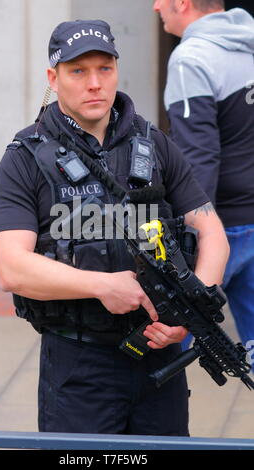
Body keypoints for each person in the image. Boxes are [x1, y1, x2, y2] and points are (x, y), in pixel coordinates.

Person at [0, 19, 229, 435]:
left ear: (117, 70)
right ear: (53, 77)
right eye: (78, 71)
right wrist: (102, 286)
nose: (95, 83)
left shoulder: (154, 144)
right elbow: (12, 267)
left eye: (105, 68)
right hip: (80, 369)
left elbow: (212, 233)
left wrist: (190, 312)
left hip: (160, 359)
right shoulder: (24, 157)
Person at [153, 0, 254, 358]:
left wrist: (189, 239)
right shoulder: (248, 43)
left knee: (169, 336)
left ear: (181, 3)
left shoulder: (191, 58)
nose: (155, 7)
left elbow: (198, 157)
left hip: (224, 228)